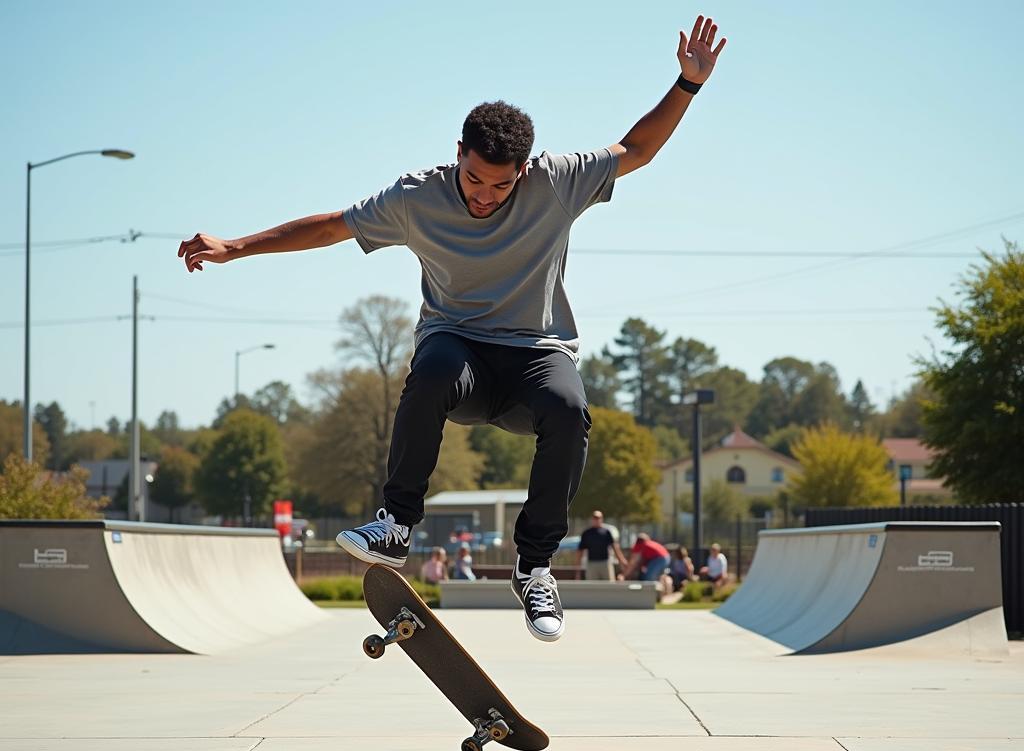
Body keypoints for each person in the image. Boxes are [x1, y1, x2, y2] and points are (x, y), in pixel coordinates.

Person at [177, 17, 726, 644]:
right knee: (431, 365)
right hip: (459, 352)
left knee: (570, 409)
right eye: (474, 179)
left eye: (501, 185)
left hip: (534, 355)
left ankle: (534, 565)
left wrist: (687, 84)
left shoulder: (555, 180)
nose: (486, 196)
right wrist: (235, 247)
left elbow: (638, 150)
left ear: (524, 170)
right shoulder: (417, 197)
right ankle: (396, 523)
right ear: (457, 153)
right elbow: (331, 227)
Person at [575, 510, 629, 581]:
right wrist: (577, 571)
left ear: (601, 519)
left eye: (598, 518)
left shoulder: (606, 532)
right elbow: (580, 551)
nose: (596, 520)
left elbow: (615, 547)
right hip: (591, 564)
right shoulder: (587, 533)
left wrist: (622, 560)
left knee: (609, 585)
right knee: (591, 586)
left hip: (605, 563)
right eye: (595, 518)